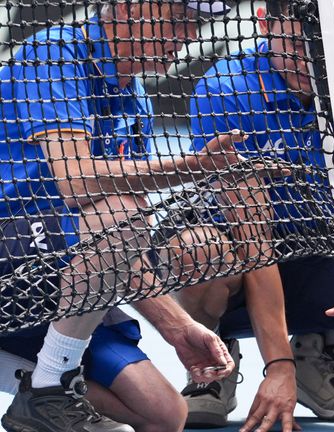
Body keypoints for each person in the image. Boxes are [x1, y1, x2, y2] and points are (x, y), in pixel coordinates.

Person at [168, 0, 334, 430]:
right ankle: (215, 359)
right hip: (237, 258)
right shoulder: (227, 87)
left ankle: (322, 352)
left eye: (331, 40)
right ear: (264, 23)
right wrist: (277, 366)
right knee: (198, 252)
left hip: (325, 245)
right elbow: (255, 242)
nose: (313, 57)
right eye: (295, 42)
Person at [0, 1, 246, 431]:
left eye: (196, 24)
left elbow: (118, 250)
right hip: (10, 260)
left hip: (56, 277)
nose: (189, 37)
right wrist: (192, 168)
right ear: (132, 7)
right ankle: (49, 386)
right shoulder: (52, 54)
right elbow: (76, 181)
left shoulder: (137, 104)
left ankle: (39, 379)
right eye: (179, 20)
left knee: (165, 415)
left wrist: (177, 325)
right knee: (123, 210)